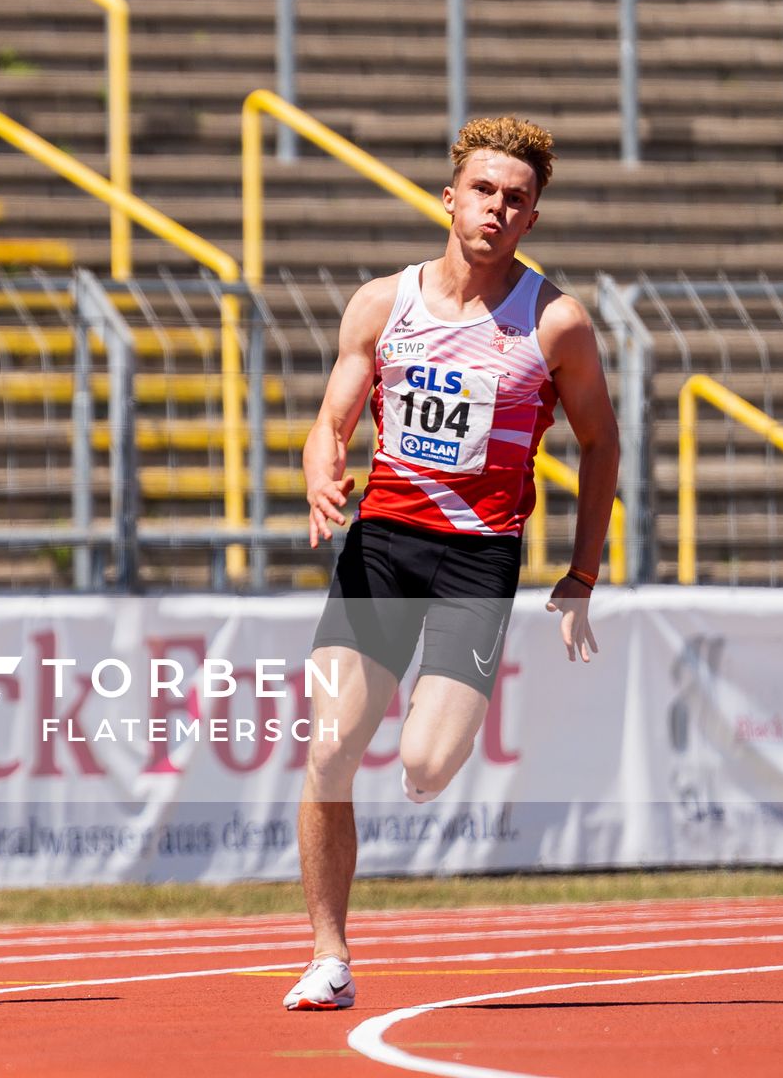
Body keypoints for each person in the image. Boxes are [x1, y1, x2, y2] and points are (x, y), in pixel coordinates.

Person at [285, 116, 619, 1011]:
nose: (496, 210)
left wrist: (582, 573)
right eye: (484, 191)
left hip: (478, 559)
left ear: (532, 218)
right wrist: (324, 474)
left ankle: (434, 721)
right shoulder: (380, 304)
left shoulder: (555, 322)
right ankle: (328, 955)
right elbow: (331, 424)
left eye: (516, 200)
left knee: (427, 770)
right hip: (385, 545)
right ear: (450, 197)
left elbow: (601, 444)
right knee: (328, 750)